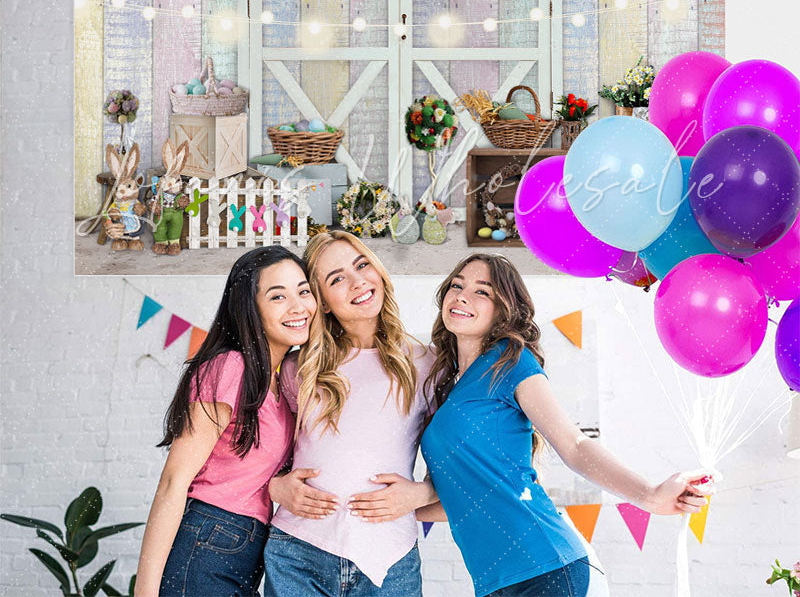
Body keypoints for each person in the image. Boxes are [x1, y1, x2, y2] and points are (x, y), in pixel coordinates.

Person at [416, 253, 715, 597]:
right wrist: (377, 510)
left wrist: (648, 496)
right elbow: (465, 498)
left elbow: (573, 445)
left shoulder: (510, 362)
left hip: (549, 571)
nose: (462, 296)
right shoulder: (449, 388)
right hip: (496, 583)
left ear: (503, 310)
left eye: (482, 291)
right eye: (457, 285)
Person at [263, 230, 438, 597]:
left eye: (362, 265)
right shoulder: (301, 367)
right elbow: (262, 454)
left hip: (390, 556)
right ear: (322, 301)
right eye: (337, 278)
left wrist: (421, 494)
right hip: (299, 551)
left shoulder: (425, 364)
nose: (358, 281)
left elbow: (461, 460)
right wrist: (276, 486)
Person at [134, 246, 316, 597]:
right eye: (278, 296)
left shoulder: (283, 381)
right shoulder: (232, 366)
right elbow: (173, 482)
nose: (298, 307)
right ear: (250, 307)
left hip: (248, 549)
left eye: (303, 291)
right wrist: (145, 592)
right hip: (209, 540)